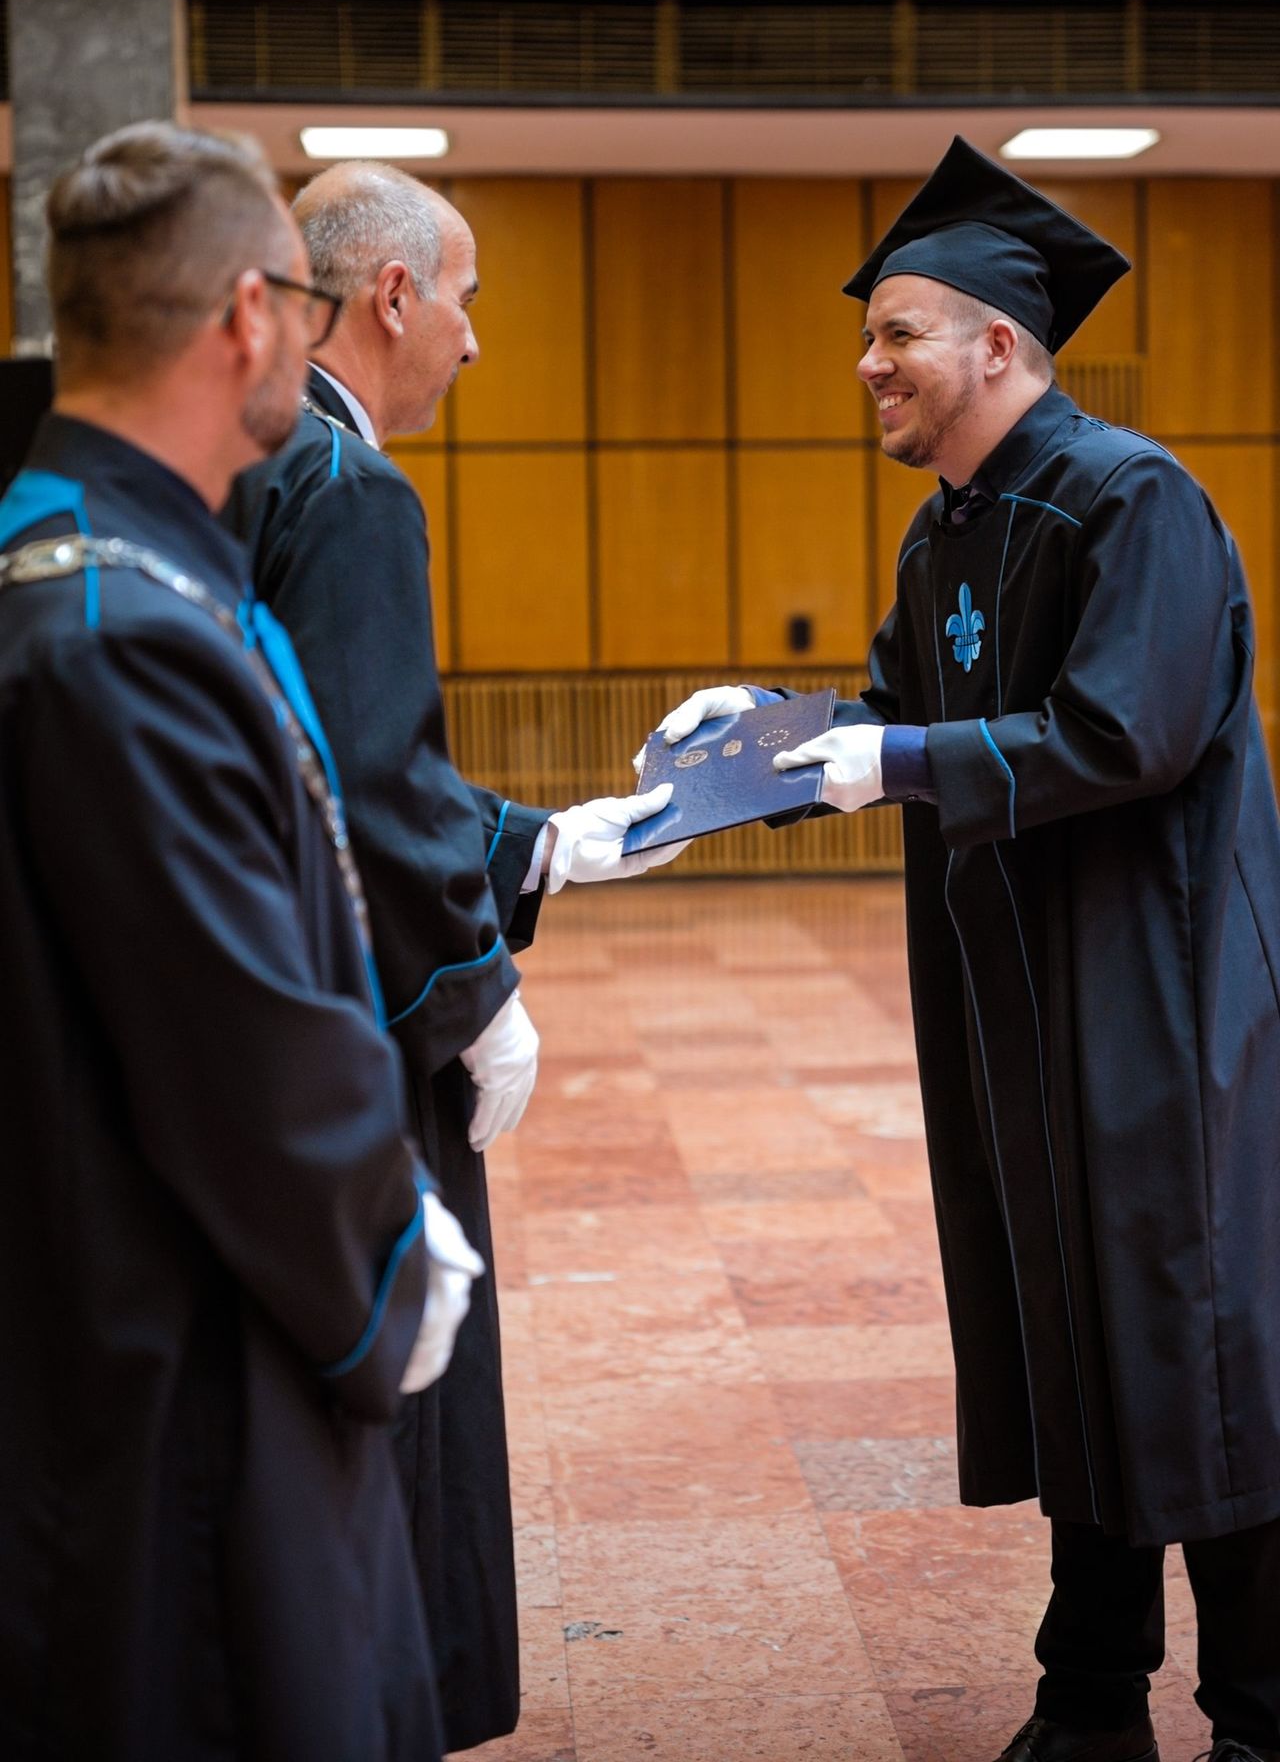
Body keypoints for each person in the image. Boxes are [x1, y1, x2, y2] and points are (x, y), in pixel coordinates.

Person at [656, 138, 1280, 1762]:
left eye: (898, 333)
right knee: (1072, 1323)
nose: (869, 364)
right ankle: (1092, 1700)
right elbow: (892, 720)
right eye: (869, 337)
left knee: (1193, 1337)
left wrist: (894, 757)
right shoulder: (946, 533)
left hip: (1157, 991)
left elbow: (1125, 733)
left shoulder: (1131, 499)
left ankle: (1265, 1712)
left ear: (998, 343)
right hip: (1021, 999)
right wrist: (758, 732)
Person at [0, 121, 482, 1762]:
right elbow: (244, 1048)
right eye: (302, 299)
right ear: (246, 317)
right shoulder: (112, 629)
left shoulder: (121, 559)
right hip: (180, 1343)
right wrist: (392, 1255)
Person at [226, 160, 679, 1750]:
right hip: (362, 1021)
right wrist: (474, 997)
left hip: (251, 1006)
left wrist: (541, 842)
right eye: (467, 299)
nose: (476, 342)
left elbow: (315, 758)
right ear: (394, 292)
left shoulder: (239, 460)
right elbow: (360, 783)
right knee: (406, 1388)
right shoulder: (347, 487)